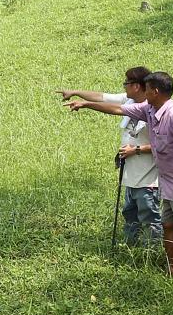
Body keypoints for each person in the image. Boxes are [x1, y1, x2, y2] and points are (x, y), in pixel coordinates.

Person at [60, 71, 173, 291]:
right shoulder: (149, 109)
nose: (143, 91)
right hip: (168, 182)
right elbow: (117, 109)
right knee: (168, 226)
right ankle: (171, 269)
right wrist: (85, 104)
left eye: (147, 88)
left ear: (156, 91)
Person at [56, 67, 160, 247]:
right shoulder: (129, 98)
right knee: (130, 214)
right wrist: (75, 92)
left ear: (136, 86)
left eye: (126, 83)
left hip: (149, 178)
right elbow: (102, 97)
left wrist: (135, 150)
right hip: (130, 175)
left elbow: (164, 145)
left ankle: (152, 251)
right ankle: (131, 248)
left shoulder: (153, 109)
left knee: (149, 217)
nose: (124, 86)